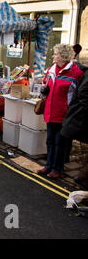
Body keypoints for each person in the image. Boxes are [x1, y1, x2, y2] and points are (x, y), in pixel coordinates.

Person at [38, 44, 84, 179]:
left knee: (60, 143)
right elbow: (44, 88)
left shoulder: (76, 73)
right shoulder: (51, 70)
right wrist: (43, 91)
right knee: (50, 141)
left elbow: (77, 96)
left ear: (63, 57)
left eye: (56, 54)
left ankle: (58, 169)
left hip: (64, 115)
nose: (53, 56)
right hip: (50, 112)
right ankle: (48, 165)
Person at [61, 62, 88, 189]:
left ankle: (82, 177)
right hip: (77, 117)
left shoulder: (80, 73)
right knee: (60, 140)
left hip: (74, 117)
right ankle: (82, 177)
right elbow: (83, 95)